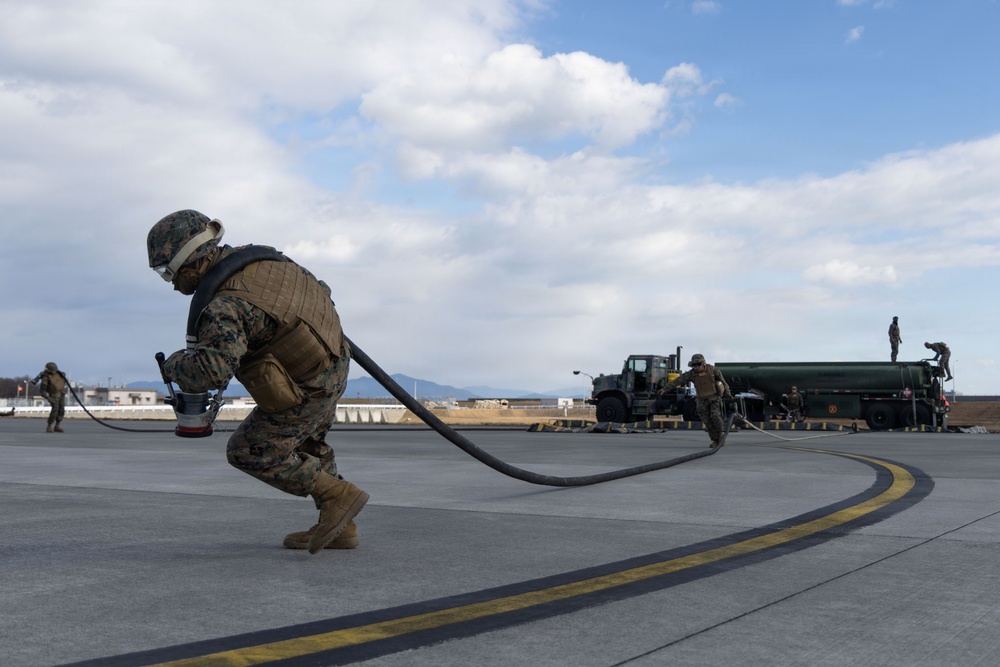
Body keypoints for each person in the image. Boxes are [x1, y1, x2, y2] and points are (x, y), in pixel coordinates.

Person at [147, 210, 368, 554]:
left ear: (189, 262)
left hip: (305, 385)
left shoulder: (224, 306)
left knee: (248, 450)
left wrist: (174, 365)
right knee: (307, 443)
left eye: (168, 272)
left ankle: (338, 495)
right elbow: (322, 292)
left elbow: (210, 372)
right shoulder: (271, 264)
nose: (173, 283)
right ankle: (340, 524)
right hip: (333, 364)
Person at [658, 353, 732, 448]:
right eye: (694, 365)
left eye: (698, 364)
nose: (696, 367)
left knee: (715, 416)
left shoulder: (713, 370)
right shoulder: (691, 374)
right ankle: (715, 439)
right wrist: (665, 389)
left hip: (714, 397)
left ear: (703, 363)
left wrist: (728, 394)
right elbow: (677, 381)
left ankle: (720, 436)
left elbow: (724, 382)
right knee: (707, 420)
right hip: (701, 399)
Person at [36, 362, 67, 433]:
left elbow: (63, 383)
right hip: (53, 395)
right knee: (55, 410)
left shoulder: (59, 374)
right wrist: (49, 398)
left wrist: (63, 376)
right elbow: (42, 391)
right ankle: (49, 426)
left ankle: (57, 425)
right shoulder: (46, 377)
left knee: (61, 410)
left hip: (61, 394)